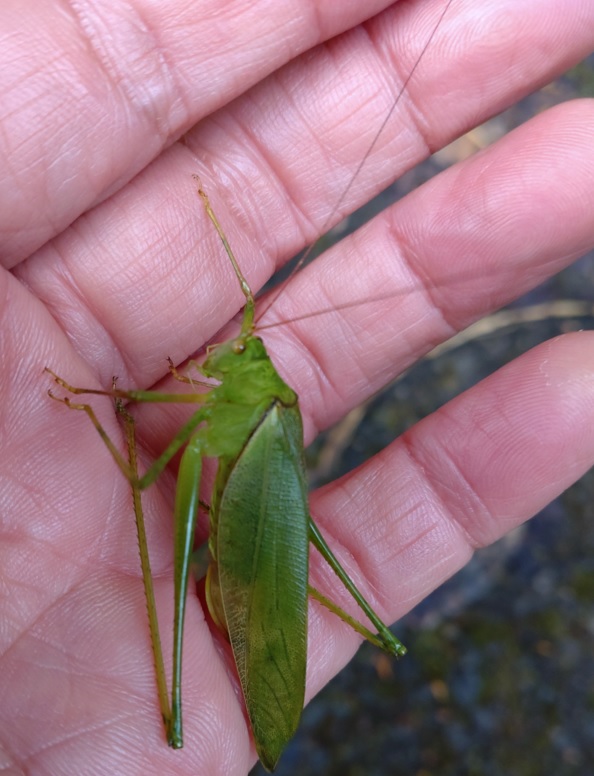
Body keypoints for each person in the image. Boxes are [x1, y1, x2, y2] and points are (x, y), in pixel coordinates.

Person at [2, 1, 593, 773]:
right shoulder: (255, 394)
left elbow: (145, 468)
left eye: (237, 353)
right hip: (249, 500)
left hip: (250, 526)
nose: (228, 350)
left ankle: (179, 711)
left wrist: (100, 407)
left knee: (150, 489)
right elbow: (219, 350)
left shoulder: (236, 402)